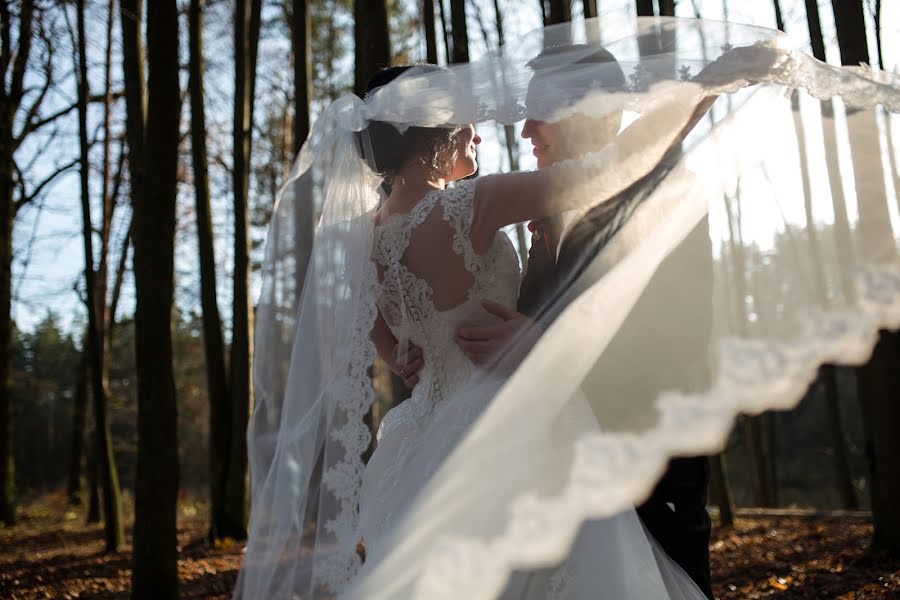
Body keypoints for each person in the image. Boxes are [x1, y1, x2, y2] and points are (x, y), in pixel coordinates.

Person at [235, 18, 899, 600]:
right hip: (508, 425)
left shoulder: (363, 236)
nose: (498, 130)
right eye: (464, 122)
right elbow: (618, 163)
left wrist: (404, 349)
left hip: (425, 437)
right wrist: (707, 87)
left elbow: (373, 329)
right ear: (433, 135)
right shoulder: (473, 206)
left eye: (533, 114)